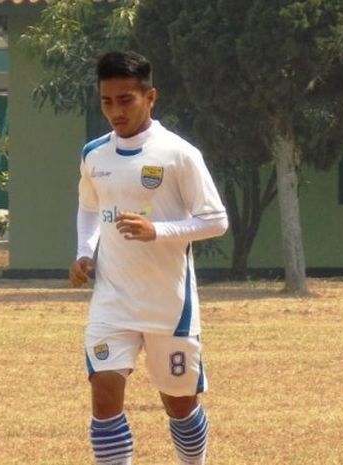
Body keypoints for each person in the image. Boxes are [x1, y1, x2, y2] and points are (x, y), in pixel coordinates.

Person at [69, 50, 228, 465]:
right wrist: (85, 253)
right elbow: (89, 207)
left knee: (179, 406)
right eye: (107, 101)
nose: (115, 111)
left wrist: (159, 230)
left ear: (150, 97)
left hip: (168, 305)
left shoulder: (179, 155)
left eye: (126, 100)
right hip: (112, 300)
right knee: (104, 398)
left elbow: (216, 220)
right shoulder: (94, 155)